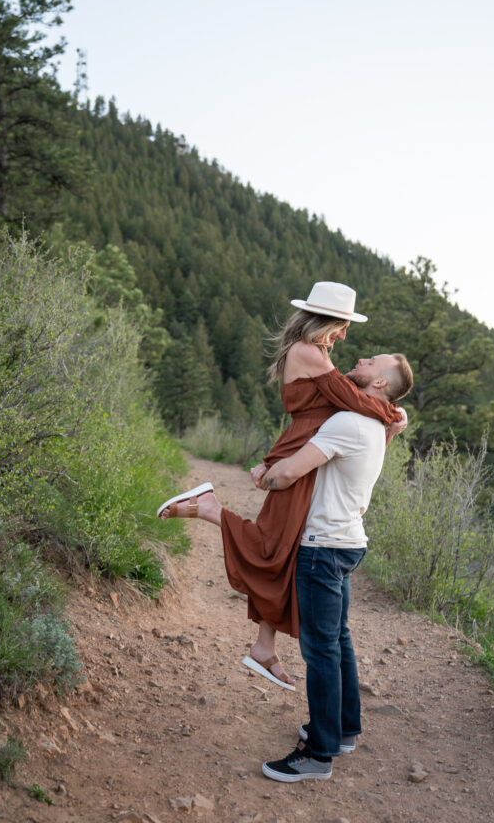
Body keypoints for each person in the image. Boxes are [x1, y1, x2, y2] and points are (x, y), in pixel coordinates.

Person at [157, 281, 406, 689]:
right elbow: (356, 400)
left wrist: (390, 423)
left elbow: (354, 402)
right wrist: (394, 411)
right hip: (302, 449)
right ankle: (208, 507)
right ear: (325, 320)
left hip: (307, 448)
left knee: (288, 548)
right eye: (342, 325)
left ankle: (264, 646)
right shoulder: (306, 352)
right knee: (275, 545)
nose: (345, 336)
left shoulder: (318, 353)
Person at [258, 352, 414, 782]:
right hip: (346, 544)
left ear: (379, 383)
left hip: (322, 547)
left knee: (321, 649)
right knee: (337, 641)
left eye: (371, 361)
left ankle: (318, 754)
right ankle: (343, 730)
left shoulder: (347, 423)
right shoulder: (375, 424)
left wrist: (265, 475)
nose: (361, 358)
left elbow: (289, 472)